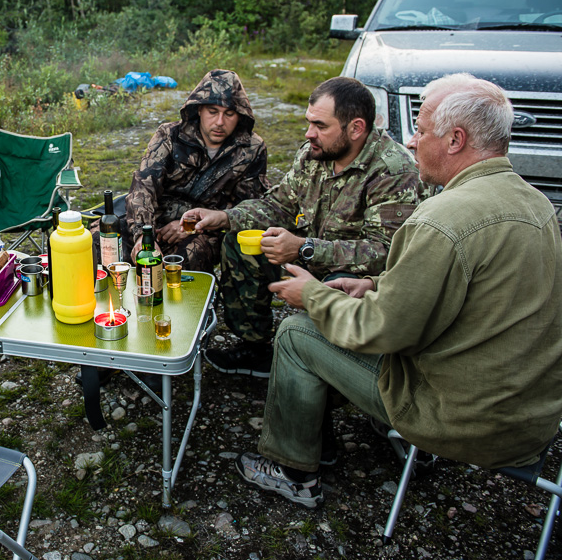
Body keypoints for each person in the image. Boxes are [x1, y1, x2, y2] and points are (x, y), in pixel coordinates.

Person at [232, 74, 562, 508]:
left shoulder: (441, 219)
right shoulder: (537, 203)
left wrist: (312, 294)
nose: (410, 142)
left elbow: (379, 331)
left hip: (461, 419)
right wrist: (373, 284)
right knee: (337, 308)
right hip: (532, 420)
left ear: (456, 140)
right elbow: (467, 290)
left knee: (297, 332)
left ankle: (294, 471)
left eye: (421, 131)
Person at [184, 76, 422, 378]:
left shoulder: (392, 171)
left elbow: (385, 252)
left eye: (321, 126)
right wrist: (224, 217)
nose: (309, 134)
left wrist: (304, 248)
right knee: (237, 242)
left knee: (343, 284)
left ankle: (340, 371)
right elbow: (279, 205)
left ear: (356, 128)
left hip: (359, 277)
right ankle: (256, 349)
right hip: (313, 254)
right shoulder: (314, 154)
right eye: (309, 122)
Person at [93, 69, 269, 274]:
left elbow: (250, 207)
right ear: (199, 110)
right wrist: (143, 236)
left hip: (205, 230)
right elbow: (143, 187)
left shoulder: (252, 149)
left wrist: (189, 226)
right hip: (152, 222)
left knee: (191, 254)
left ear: (240, 116)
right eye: (213, 112)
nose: (220, 122)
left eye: (229, 114)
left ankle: (188, 303)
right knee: (98, 241)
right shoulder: (169, 135)